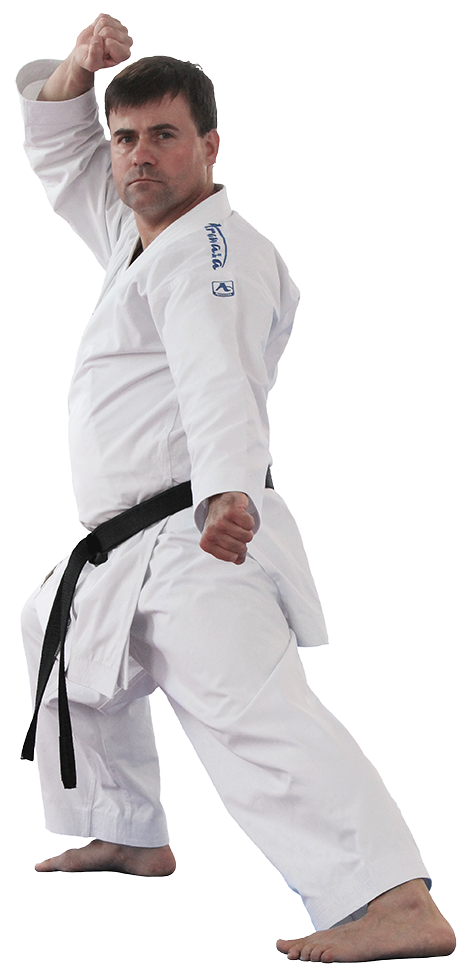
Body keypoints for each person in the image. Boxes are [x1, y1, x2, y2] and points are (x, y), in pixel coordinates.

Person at [16, 15, 456, 963]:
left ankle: (392, 897)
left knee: (254, 717)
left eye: (162, 135)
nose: (138, 155)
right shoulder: (138, 233)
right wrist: (81, 67)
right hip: (131, 543)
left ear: (209, 147)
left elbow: (221, 380)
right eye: (124, 138)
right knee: (58, 629)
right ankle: (127, 832)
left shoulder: (216, 256)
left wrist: (228, 491)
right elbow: (54, 149)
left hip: (197, 532)